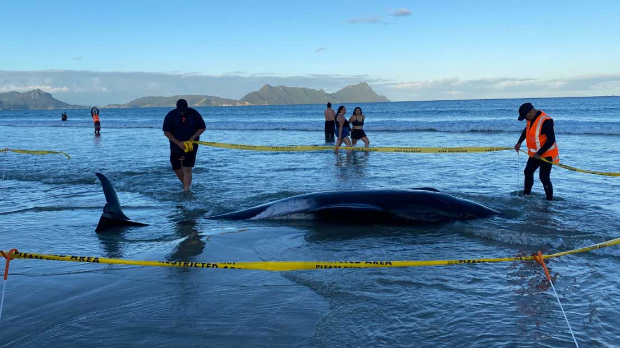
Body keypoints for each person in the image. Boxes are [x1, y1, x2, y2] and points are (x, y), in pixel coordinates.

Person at [514, 102, 559, 201]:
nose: (525, 119)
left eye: (525, 117)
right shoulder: (531, 119)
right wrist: (519, 143)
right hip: (535, 154)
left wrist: (540, 153)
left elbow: (551, 139)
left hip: (546, 153)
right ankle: (526, 195)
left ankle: (549, 201)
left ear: (530, 112)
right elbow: (526, 130)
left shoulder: (546, 120)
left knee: (544, 177)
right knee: (528, 171)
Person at [163, 99, 206, 192]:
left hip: (191, 144)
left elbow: (202, 127)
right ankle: (185, 183)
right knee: (176, 167)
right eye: (180, 111)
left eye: (184, 111)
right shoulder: (170, 115)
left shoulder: (194, 113)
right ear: (177, 108)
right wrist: (178, 143)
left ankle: (186, 189)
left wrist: (193, 137)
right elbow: (166, 132)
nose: (182, 113)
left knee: (187, 168)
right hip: (175, 144)